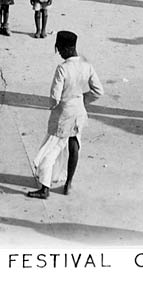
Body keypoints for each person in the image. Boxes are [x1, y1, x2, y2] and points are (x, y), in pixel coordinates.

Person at [27, 31, 103, 199]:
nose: (59, 53)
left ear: (67, 49)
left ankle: (44, 188)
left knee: (50, 150)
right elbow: (98, 91)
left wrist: (53, 107)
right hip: (79, 112)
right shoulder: (86, 65)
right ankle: (68, 183)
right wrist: (82, 99)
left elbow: (55, 96)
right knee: (74, 144)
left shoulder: (62, 68)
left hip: (63, 115)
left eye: (59, 49)